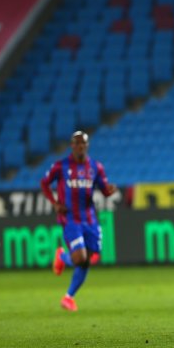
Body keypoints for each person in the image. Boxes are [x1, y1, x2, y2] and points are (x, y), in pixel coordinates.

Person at [41, 131, 117, 311]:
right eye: (77, 143)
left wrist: (108, 191)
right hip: (70, 218)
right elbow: (44, 183)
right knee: (80, 257)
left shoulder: (96, 167)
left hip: (89, 219)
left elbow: (103, 189)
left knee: (88, 259)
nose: (80, 146)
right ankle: (62, 256)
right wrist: (55, 203)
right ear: (72, 146)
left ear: (87, 146)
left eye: (83, 143)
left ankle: (69, 297)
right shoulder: (61, 166)